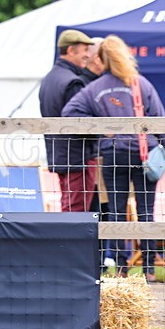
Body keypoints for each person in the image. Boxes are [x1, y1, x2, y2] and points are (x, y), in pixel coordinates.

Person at [63, 35, 165, 281]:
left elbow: (69, 112)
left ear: (101, 59)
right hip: (144, 153)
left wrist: (100, 128)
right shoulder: (141, 84)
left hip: (113, 154)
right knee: (146, 212)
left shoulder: (95, 88)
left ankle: (122, 268)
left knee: (116, 211)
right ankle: (149, 269)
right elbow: (159, 119)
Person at [39, 29, 101, 212]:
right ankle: (70, 242)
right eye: (84, 50)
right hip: (77, 157)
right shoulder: (73, 82)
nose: (88, 56)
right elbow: (79, 123)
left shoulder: (50, 78)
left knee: (70, 205)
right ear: (72, 50)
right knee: (76, 211)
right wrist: (103, 130)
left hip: (60, 155)